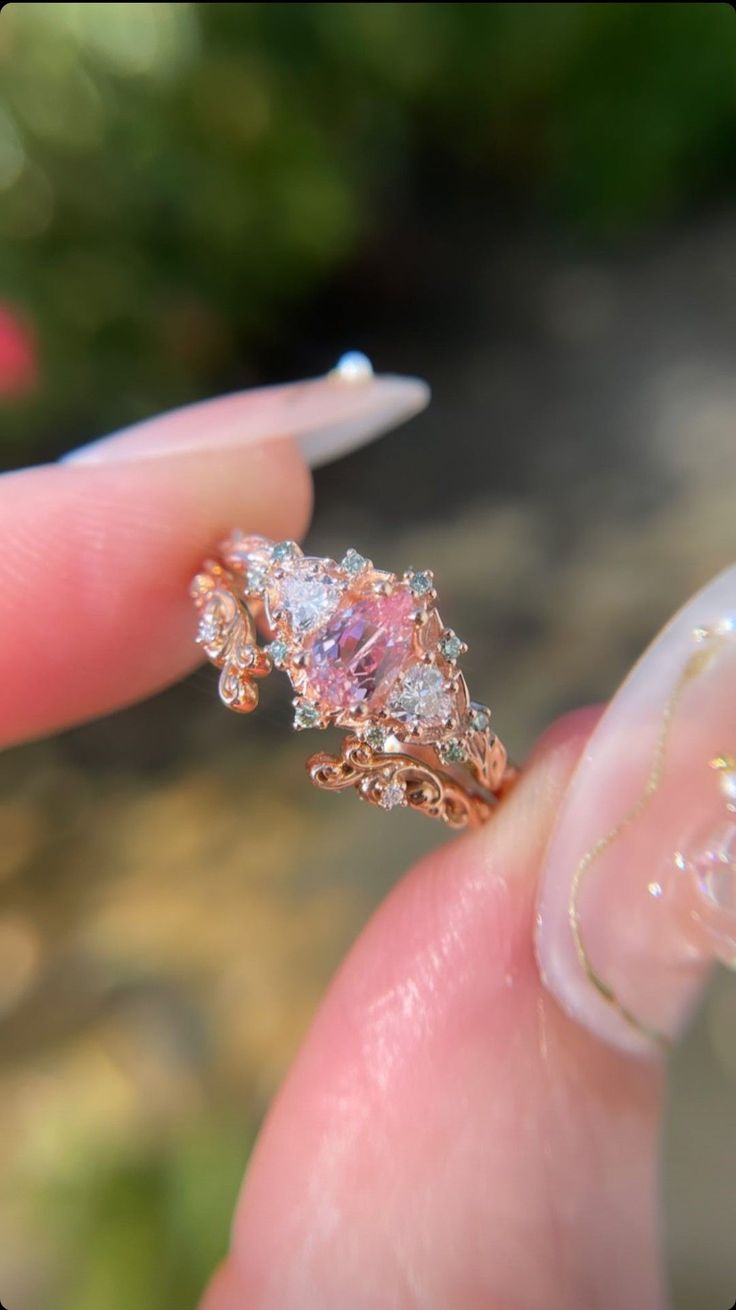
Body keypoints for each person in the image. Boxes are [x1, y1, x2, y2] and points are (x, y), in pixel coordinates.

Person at [6, 364, 728, 1310]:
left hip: (394, 681)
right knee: (485, 785)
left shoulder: (296, 609)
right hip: (386, 683)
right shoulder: (283, 608)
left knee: (485, 779)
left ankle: (478, 779)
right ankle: (477, 780)